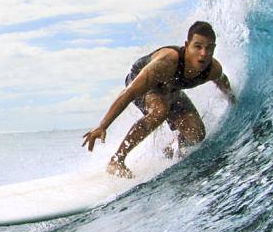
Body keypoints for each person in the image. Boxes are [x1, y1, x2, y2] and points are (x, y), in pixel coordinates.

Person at [82, 20, 236, 177]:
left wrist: (233, 99)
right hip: (141, 80)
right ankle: (117, 160)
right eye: (197, 46)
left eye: (209, 48)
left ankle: (171, 147)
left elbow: (222, 81)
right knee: (159, 111)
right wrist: (102, 126)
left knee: (197, 134)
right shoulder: (167, 61)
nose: (203, 53)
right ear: (187, 45)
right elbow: (129, 93)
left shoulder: (212, 69)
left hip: (170, 89)